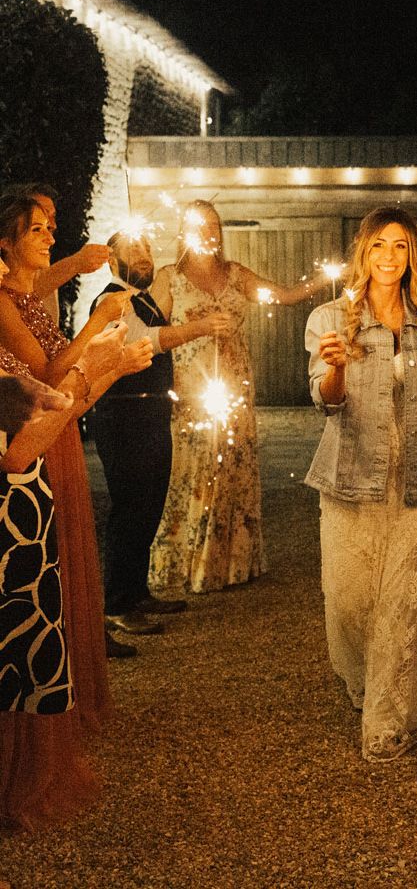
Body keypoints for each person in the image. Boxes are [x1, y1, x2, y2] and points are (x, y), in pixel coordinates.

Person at [304, 206, 417, 761]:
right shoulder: (331, 318)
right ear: (363, 251)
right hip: (351, 476)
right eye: (379, 245)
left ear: (412, 256)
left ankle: (391, 717)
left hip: (413, 484)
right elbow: (326, 403)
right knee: (352, 602)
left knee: (402, 599)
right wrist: (333, 368)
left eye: (400, 246)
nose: (388, 257)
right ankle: (365, 682)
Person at [0, 230, 143, 830]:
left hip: (24, 499)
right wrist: (101, 367)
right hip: (13, 508)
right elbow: (16, 448)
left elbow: (39, 401)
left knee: (22, 655)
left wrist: (101, 371)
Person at [0, 195, 153, 687]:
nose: (50, 235)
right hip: (35, 435)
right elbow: (48, 373)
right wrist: (94, 326)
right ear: (6, 244)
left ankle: (75, 675)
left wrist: (112, 361)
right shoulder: (6, 302)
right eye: (37, 229)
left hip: (54, 427)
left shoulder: (24, 297)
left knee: (66, 556)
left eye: (51, 225)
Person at [150, 200, 324, 593]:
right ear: (184, 232)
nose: (208, 233)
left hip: (234, 391)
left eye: (213, 226)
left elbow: (284, 296)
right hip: (193, 393)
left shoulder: (235, 275)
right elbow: (153, 333)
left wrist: (323, 280)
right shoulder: (170, 278)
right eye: (199, 226)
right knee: (194, 472)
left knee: (232, 469)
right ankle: (188, 563)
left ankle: (233, 563)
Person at [90, 232, 232, 640]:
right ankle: (117, 605)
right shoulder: (110, 301)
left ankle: (137, 592)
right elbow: (146, 341)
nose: (145, 256)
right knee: (130, 507)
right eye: (133, 249)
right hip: (122, 418)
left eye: (148, 249)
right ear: (111, 260)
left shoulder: (146, 300)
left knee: (150, 503)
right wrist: (200, 327)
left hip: (150, 415)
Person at [0, 182, 110, 323]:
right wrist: (101, 316)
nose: (53, 225)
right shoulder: (6, 297)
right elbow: (24, 296)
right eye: (37, 227)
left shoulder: (40, 259)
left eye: (52, 217)